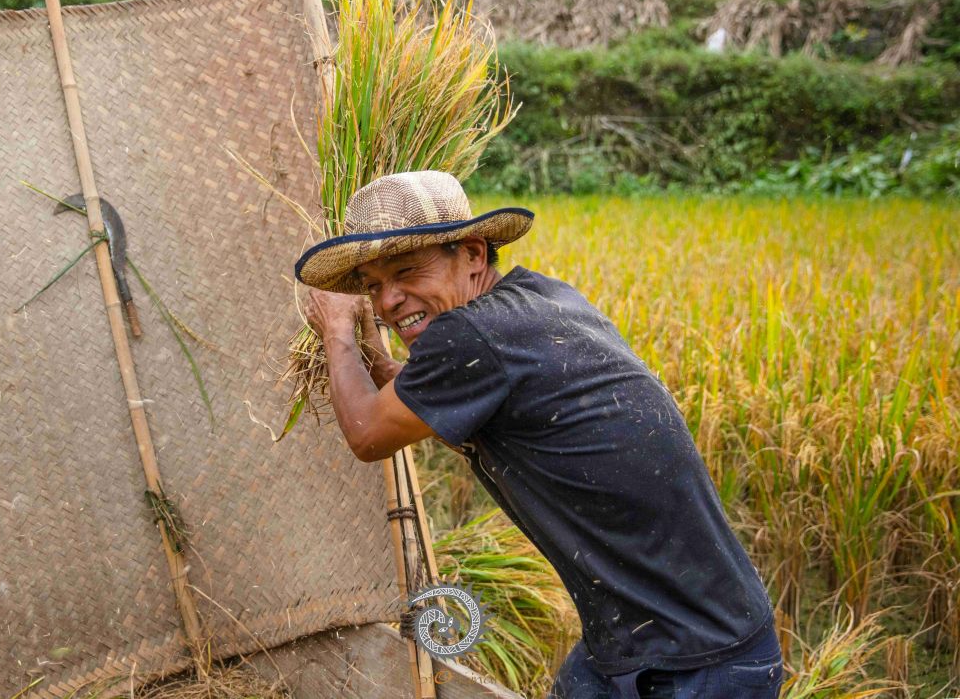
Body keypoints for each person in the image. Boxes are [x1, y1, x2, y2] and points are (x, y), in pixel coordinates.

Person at [294, 171, 782, 698]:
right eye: (372, 286)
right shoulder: (539, 300)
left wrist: (338, 330)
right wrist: (372, 345)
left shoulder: (471, 336)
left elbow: (368, 434)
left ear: (473, 254)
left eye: (407, 270)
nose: (388, 300)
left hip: (698, 665)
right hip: (657, 636)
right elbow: (424, 402)